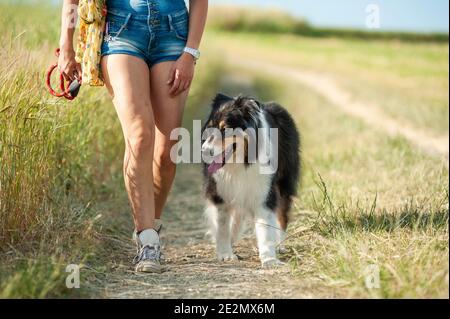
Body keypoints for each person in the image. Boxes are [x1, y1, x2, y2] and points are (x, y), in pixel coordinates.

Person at [58, 0, 208, 273]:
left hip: (173, 33)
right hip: (122, 31)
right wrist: (66, 45)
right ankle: (147, 240)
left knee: (166, 152)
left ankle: (152, 221)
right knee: (139, 135)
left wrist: (190, 52)